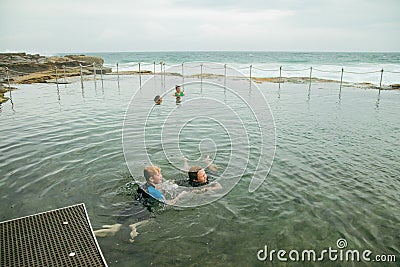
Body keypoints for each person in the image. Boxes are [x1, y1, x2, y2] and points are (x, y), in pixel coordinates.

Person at [94, 166, 187, 241]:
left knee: (118, 224)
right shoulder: (155, 193)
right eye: (159, 175)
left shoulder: (143, 186)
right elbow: (168, 203)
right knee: (152, 220)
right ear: (151, 179)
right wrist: (181, 195)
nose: (161, 176)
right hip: (144, 210)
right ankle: (134, 226)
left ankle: (112, 228)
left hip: (133, 206)